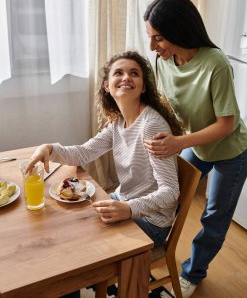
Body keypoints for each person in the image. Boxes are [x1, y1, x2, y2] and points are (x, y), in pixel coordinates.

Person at [143, 0, 247, 298]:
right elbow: (166, 105)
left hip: (232, 152)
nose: (152, 47)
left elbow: (226, 124)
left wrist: (179, 143)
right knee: (168, 197)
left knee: (214, 218)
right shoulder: (163, 61)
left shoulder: (215, 64)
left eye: (159, 38)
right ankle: (152, 251)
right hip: (196, 143)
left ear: (179, 31)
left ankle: (193, 274)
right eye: (150, 37)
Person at [27, 50, 184, 250]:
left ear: (143, 87)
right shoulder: (118, 121)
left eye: (134, 73)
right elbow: (83, 153)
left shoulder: (151, 125)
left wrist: (128, 209)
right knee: (68, 226)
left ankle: (115, 279)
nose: (126, 77)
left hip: (151, 221)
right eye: (118, 73)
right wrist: (48, 149)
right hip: (124, 200)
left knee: (81, 244)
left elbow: (171, 192)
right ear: (106, 86)